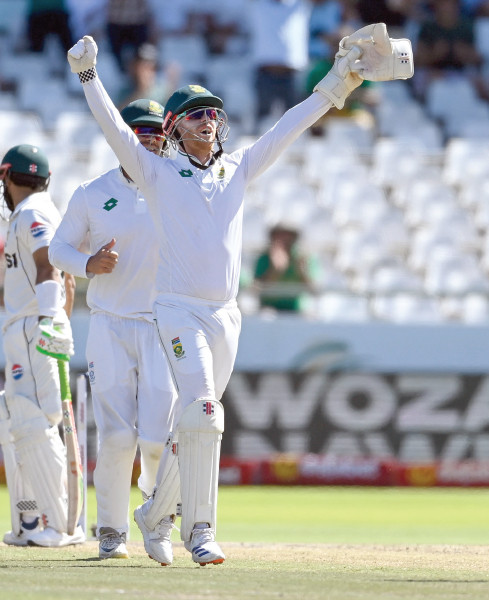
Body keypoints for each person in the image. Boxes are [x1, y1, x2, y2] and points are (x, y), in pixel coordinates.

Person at [66, 22, 411, 565]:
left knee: (200, 420)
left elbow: (291, 125)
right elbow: (114, 127)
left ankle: (155, 515)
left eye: (214, 112)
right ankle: (199, 529)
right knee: (203, 408)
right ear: (177, 127)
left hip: (226, 316)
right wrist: (88, 76)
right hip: (176, 310)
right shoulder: (156, 172)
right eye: (199, 113)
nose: (211, 120)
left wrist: (338, 81)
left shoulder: (236, 170)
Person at [48, 99, 178, 560]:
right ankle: (111, 531)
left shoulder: (178, 187)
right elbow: (57, 249)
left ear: (165, 136)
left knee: (159, 439)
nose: (146, 138)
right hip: (109, 324)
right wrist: (87, 263)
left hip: (164, 325)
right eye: (137, 131)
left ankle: (156, 514)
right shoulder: (91, 192)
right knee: (118, 436)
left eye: (154, 131)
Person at [0, 143, 81, 547]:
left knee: (37, 421)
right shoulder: (29, 212)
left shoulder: (33, 211)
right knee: (18, 419)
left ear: (6, 176)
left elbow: (48, 266)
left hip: (35, 326)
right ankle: (31, 523)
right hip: (26, 323)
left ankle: (59, 524)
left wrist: (51, 320)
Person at [253, 223, 317, 313]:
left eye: (286, 234)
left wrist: (302, 271)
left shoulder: (304, 259)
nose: (282, 238)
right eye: (278, 234)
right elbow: (256, 290)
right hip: (269, 309)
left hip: (297, 311)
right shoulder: (264, 258)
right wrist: (275, 271)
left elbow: (314, 290)